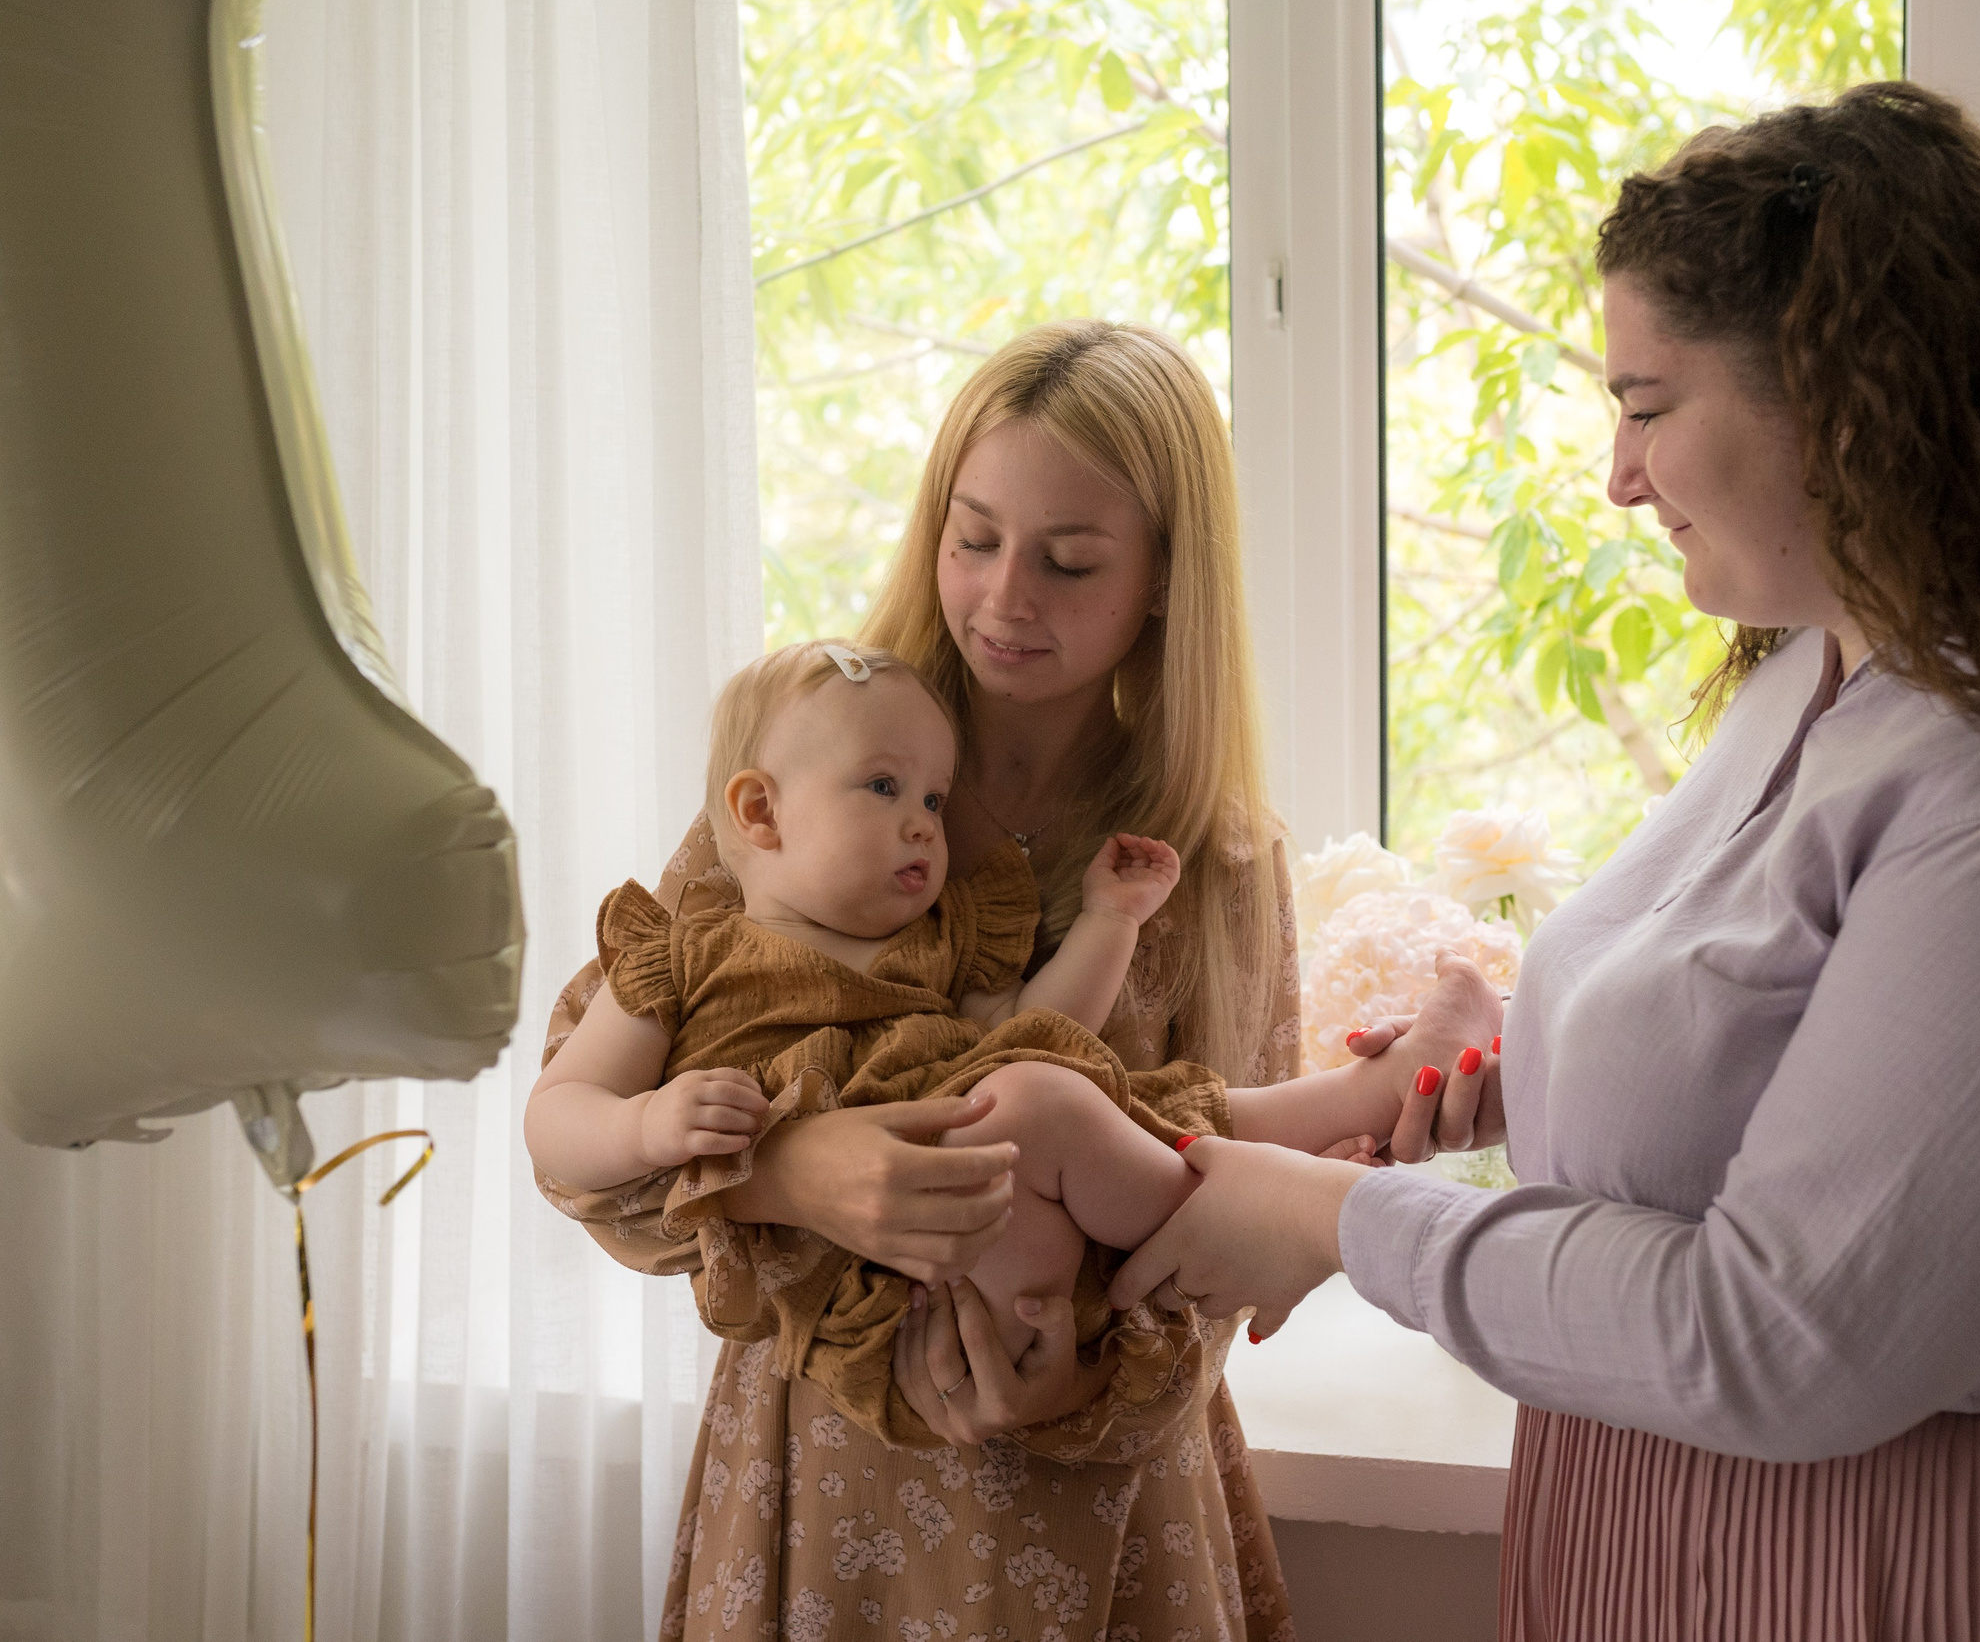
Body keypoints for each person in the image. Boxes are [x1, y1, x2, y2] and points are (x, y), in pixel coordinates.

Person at [1113, 81, 1980, 1641]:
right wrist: (1541, 1075)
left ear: (1855, 400)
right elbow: (1827, 1061)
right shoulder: (1825, 674)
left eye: (1650, 404)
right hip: (1680, 1537)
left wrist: (1332, 1224)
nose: (1618, 474)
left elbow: (1784, 1333)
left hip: (1965, 1567)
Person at [533, 319, 1480, 1641]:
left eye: (1069, 559)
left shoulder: (1211, 860)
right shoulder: (800, 780)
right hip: (819, 1496)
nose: (1003, 595)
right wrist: (794, 1169)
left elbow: (1227, 1233)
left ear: (1163, 578)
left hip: (1101, 1525)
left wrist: (1073, 1385)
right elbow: (587, 1151)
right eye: (973, 537)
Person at [527, 636, 1443, 1438]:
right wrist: (651, 1127)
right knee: (1051, 1099)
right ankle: (1251, 1205)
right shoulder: (681, 951)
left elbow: (1038, 1031)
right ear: (759, 812)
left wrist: (1109, 921)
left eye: (933, 794)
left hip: (1001, 1247)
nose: (924, 821)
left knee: (1081, 1092)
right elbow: (560, 1117)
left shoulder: (932, 943)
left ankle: (1358, 1099)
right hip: (875, 1293)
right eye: (885, 787)